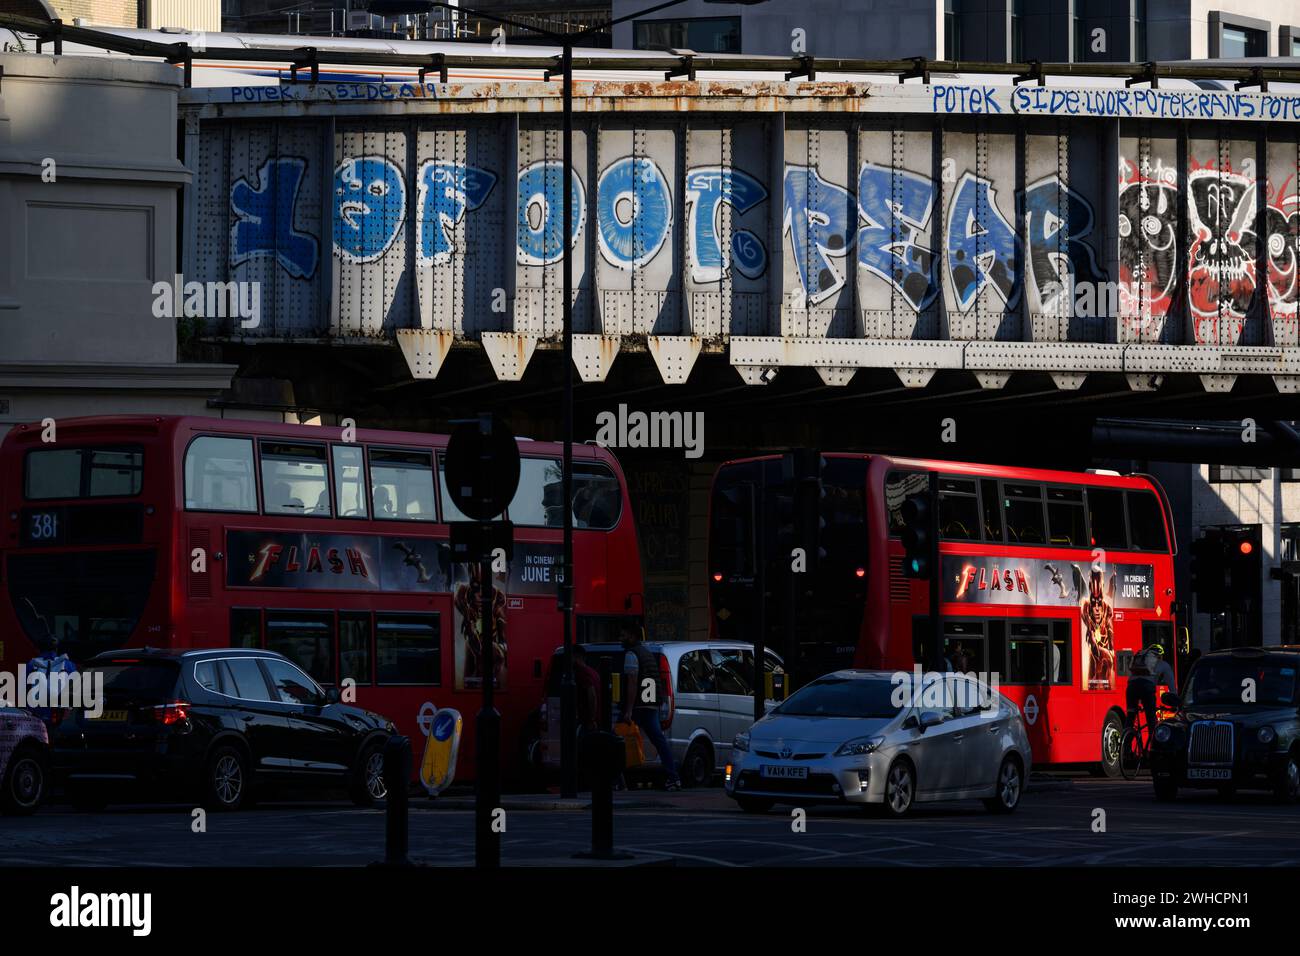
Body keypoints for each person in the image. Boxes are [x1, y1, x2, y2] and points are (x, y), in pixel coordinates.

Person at [619, 621, 681, 791]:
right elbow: (651, 680)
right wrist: (652, 702)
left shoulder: (631, 654)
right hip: (650, 704)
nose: (621, 638)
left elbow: (632, 682)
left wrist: (629, 710)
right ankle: (673, 777)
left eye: (623, 635)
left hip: (638, 705)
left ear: (632, 636)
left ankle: (617, 779)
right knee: (659, 740)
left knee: (616, 739)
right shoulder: (647, 653)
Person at [1126, 643, 1174, 740]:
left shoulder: (1139, 661)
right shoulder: (1163, 664)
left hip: (1131, 688)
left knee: (1130, 717)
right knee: (1151, 719)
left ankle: (1125, 746)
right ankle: (1153, 747)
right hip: (1146, 688)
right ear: (1160, 655)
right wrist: (1175, 702)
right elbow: (1172, 686)